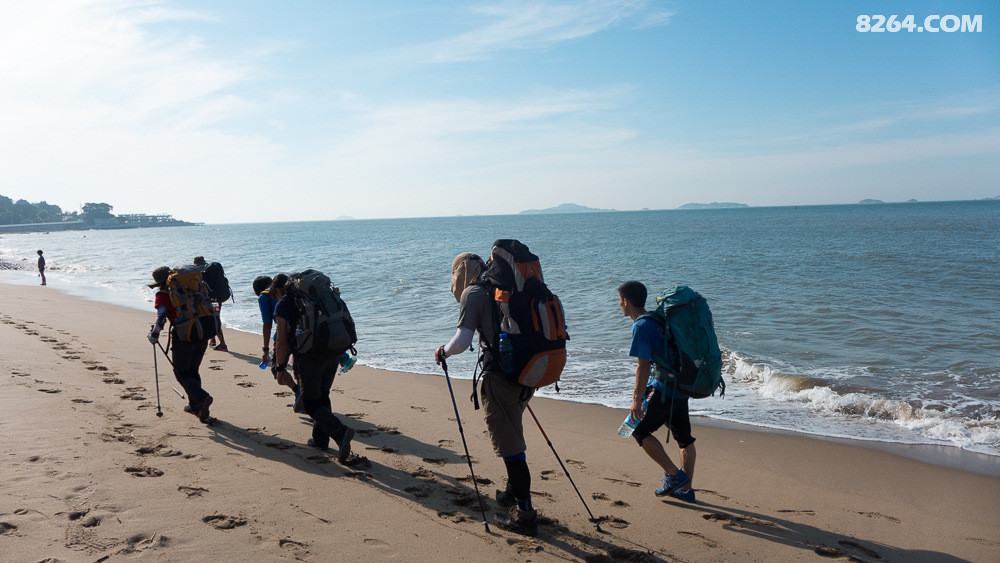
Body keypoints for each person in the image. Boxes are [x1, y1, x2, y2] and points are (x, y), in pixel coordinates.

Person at [433, 252, 540, 537]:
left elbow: (461, 341)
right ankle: (510, 492)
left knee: (511, 449)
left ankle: (526, 516)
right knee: (513, 432)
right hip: (528, 373)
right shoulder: (505, 288)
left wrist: (442, 351)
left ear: (462, 272)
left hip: (501, 376)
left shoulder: (475, 292)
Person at [617, 280, 696, 503]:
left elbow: (642, 366)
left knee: (636, 430)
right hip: (681, 388)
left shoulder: (641, 326)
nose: (619, 306)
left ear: (626, 301)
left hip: (663, 389)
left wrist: (636, 400)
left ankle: (673, 475)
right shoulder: (659, 318)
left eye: (619, 301)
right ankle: (686, 490)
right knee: (685, 440)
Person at [272, 274, 355, 462]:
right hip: (333, 350)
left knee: (310, 403)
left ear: (282, 288)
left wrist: (280, 366)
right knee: (322, 395)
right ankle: (320, 440)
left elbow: (281, 340)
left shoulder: (284, 304)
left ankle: (340, 432)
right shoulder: (320, 299)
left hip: (309, 357)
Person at [147, 266, 214, 422]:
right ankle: (195, 407)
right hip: (203, 331)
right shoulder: (190, 289)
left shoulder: (163, 294)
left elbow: (162, 316)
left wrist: (154, 334)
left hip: (183, 336)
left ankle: (201, 398)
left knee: (181, 372)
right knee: (193, 370)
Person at [256, 274, 302, 407]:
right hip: (302, 334)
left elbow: (267, 324)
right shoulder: (294, 293)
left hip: (283, 336)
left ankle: (298, 392)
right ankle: (302, 396)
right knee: (299, 369)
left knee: (278, 371)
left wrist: (265, 349)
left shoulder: (264, 297)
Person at [194, 255, 228, 351]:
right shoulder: (212, 271)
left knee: (214, 319)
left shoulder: (199, 272)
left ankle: (223, 344)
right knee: (216, 316)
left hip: (208, 300)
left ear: (195, 263)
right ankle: (213, 339)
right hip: (218, 299)